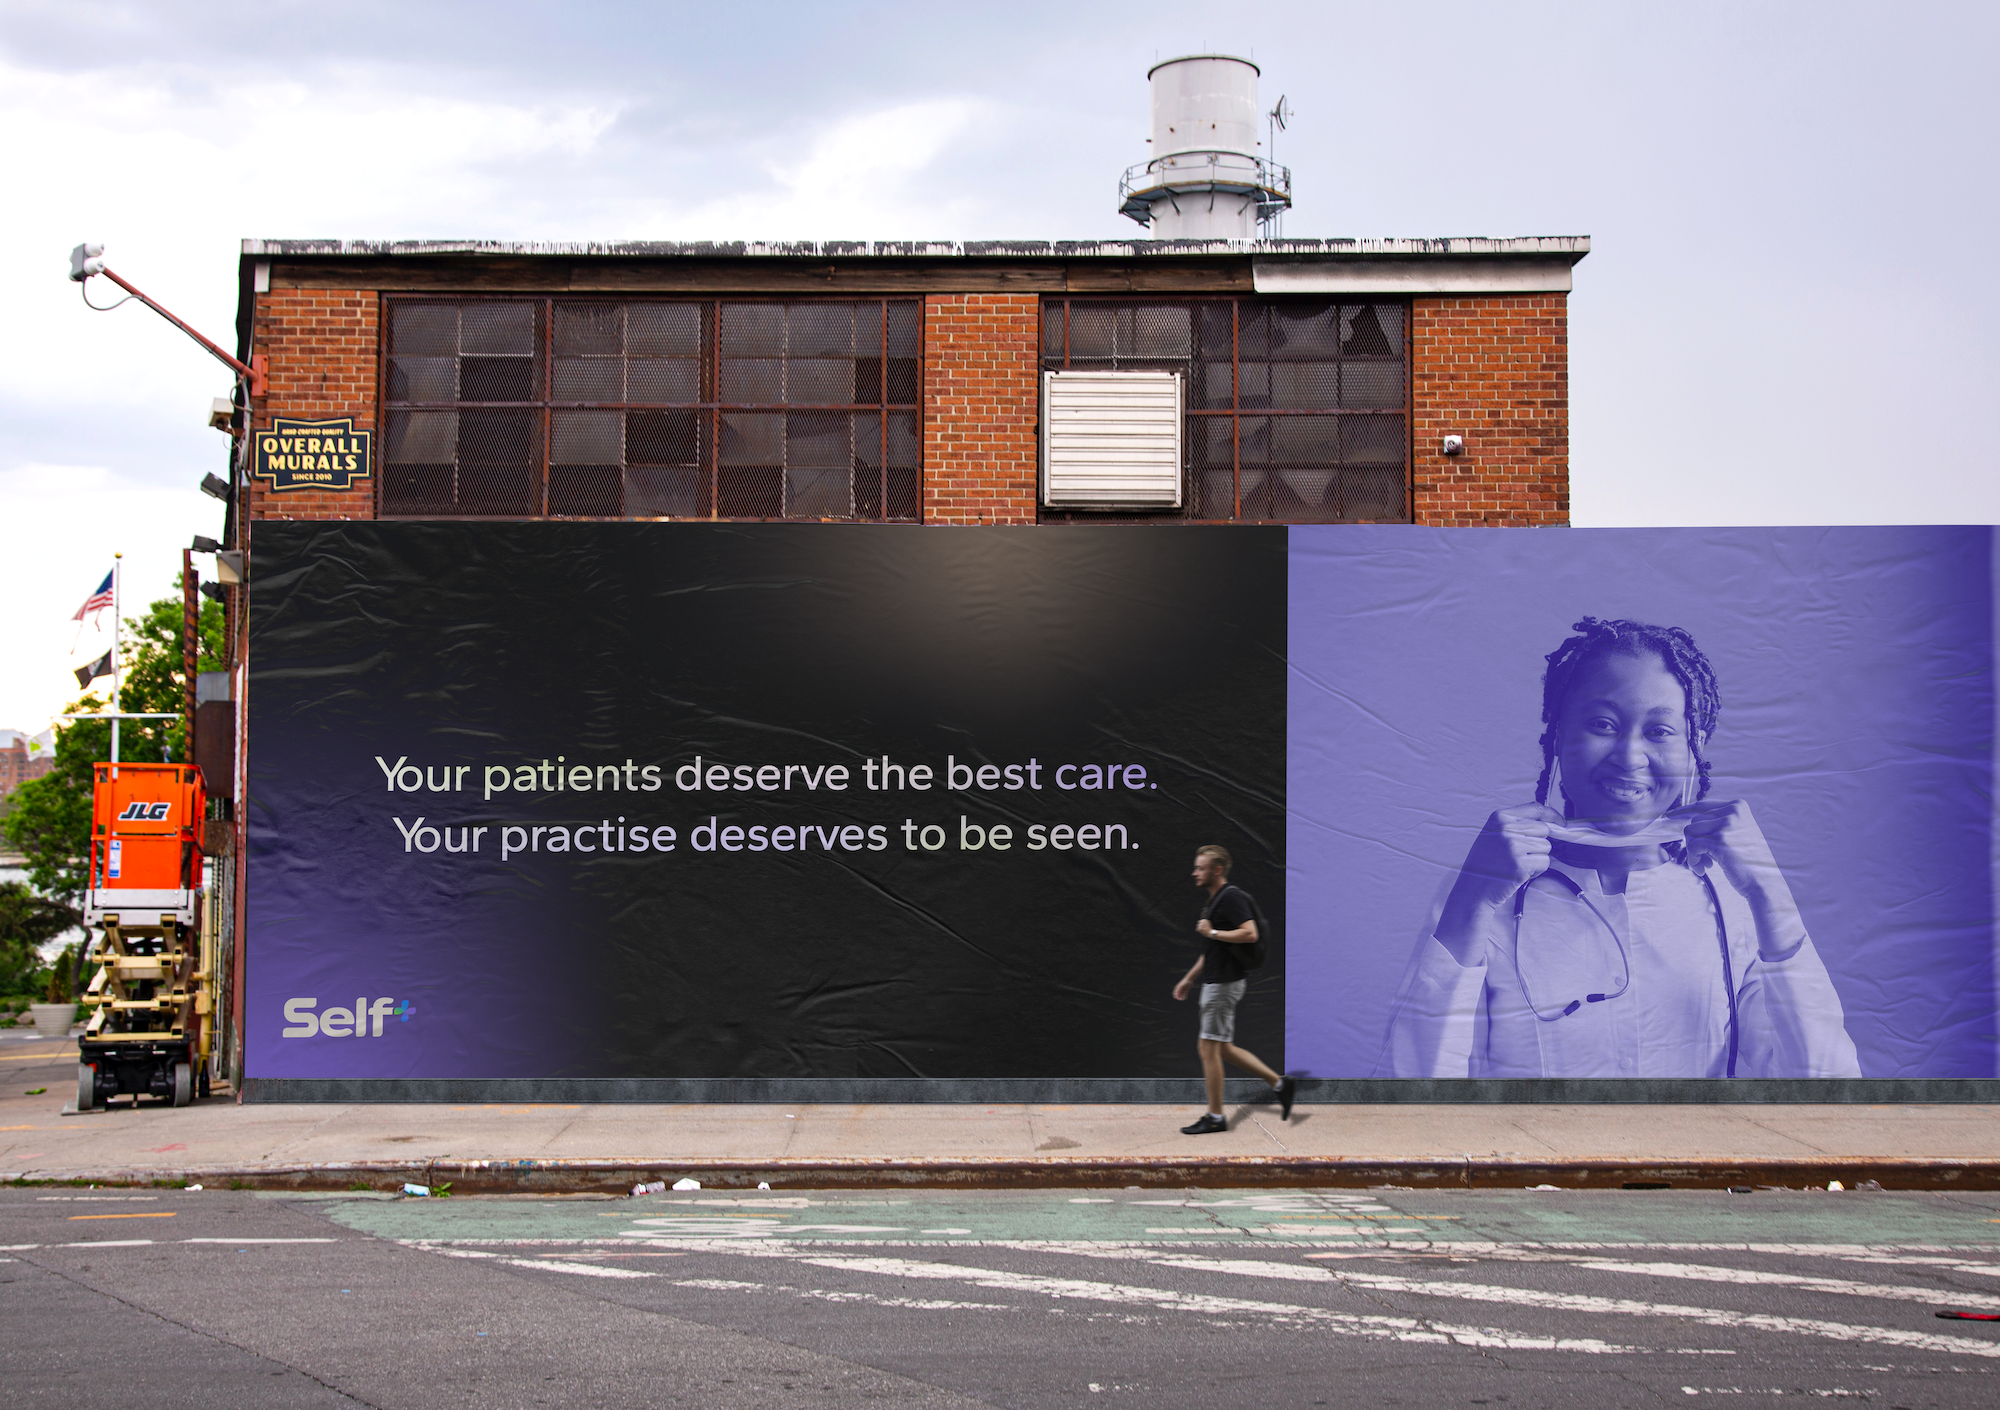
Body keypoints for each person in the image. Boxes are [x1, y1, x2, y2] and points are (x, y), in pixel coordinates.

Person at [1377, 617, 1861, 1080]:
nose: (1630, 756)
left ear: (1694, 748)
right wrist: (1469, 900)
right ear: (1558, 736)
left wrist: (1769, 893)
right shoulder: (1486, 896)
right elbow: (1411, 1099)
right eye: (1603, 725)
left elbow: (1828, 1098)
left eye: (1660, 731)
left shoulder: (1738, 901)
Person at [1174, 845, 1296, 1133]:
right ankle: (1280, 1084)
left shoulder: (1230, 897)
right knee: (1223, 1048)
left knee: (1207, 1048)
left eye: (1200, 868)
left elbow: (1249, 933)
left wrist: (1212, 932)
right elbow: (1213, 950)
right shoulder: (1217, 900)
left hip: (1223, 984)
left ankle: (1216, 1117)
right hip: (1218, 980)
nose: (1195, 873)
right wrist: (1189, 978)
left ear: (1217, 870)